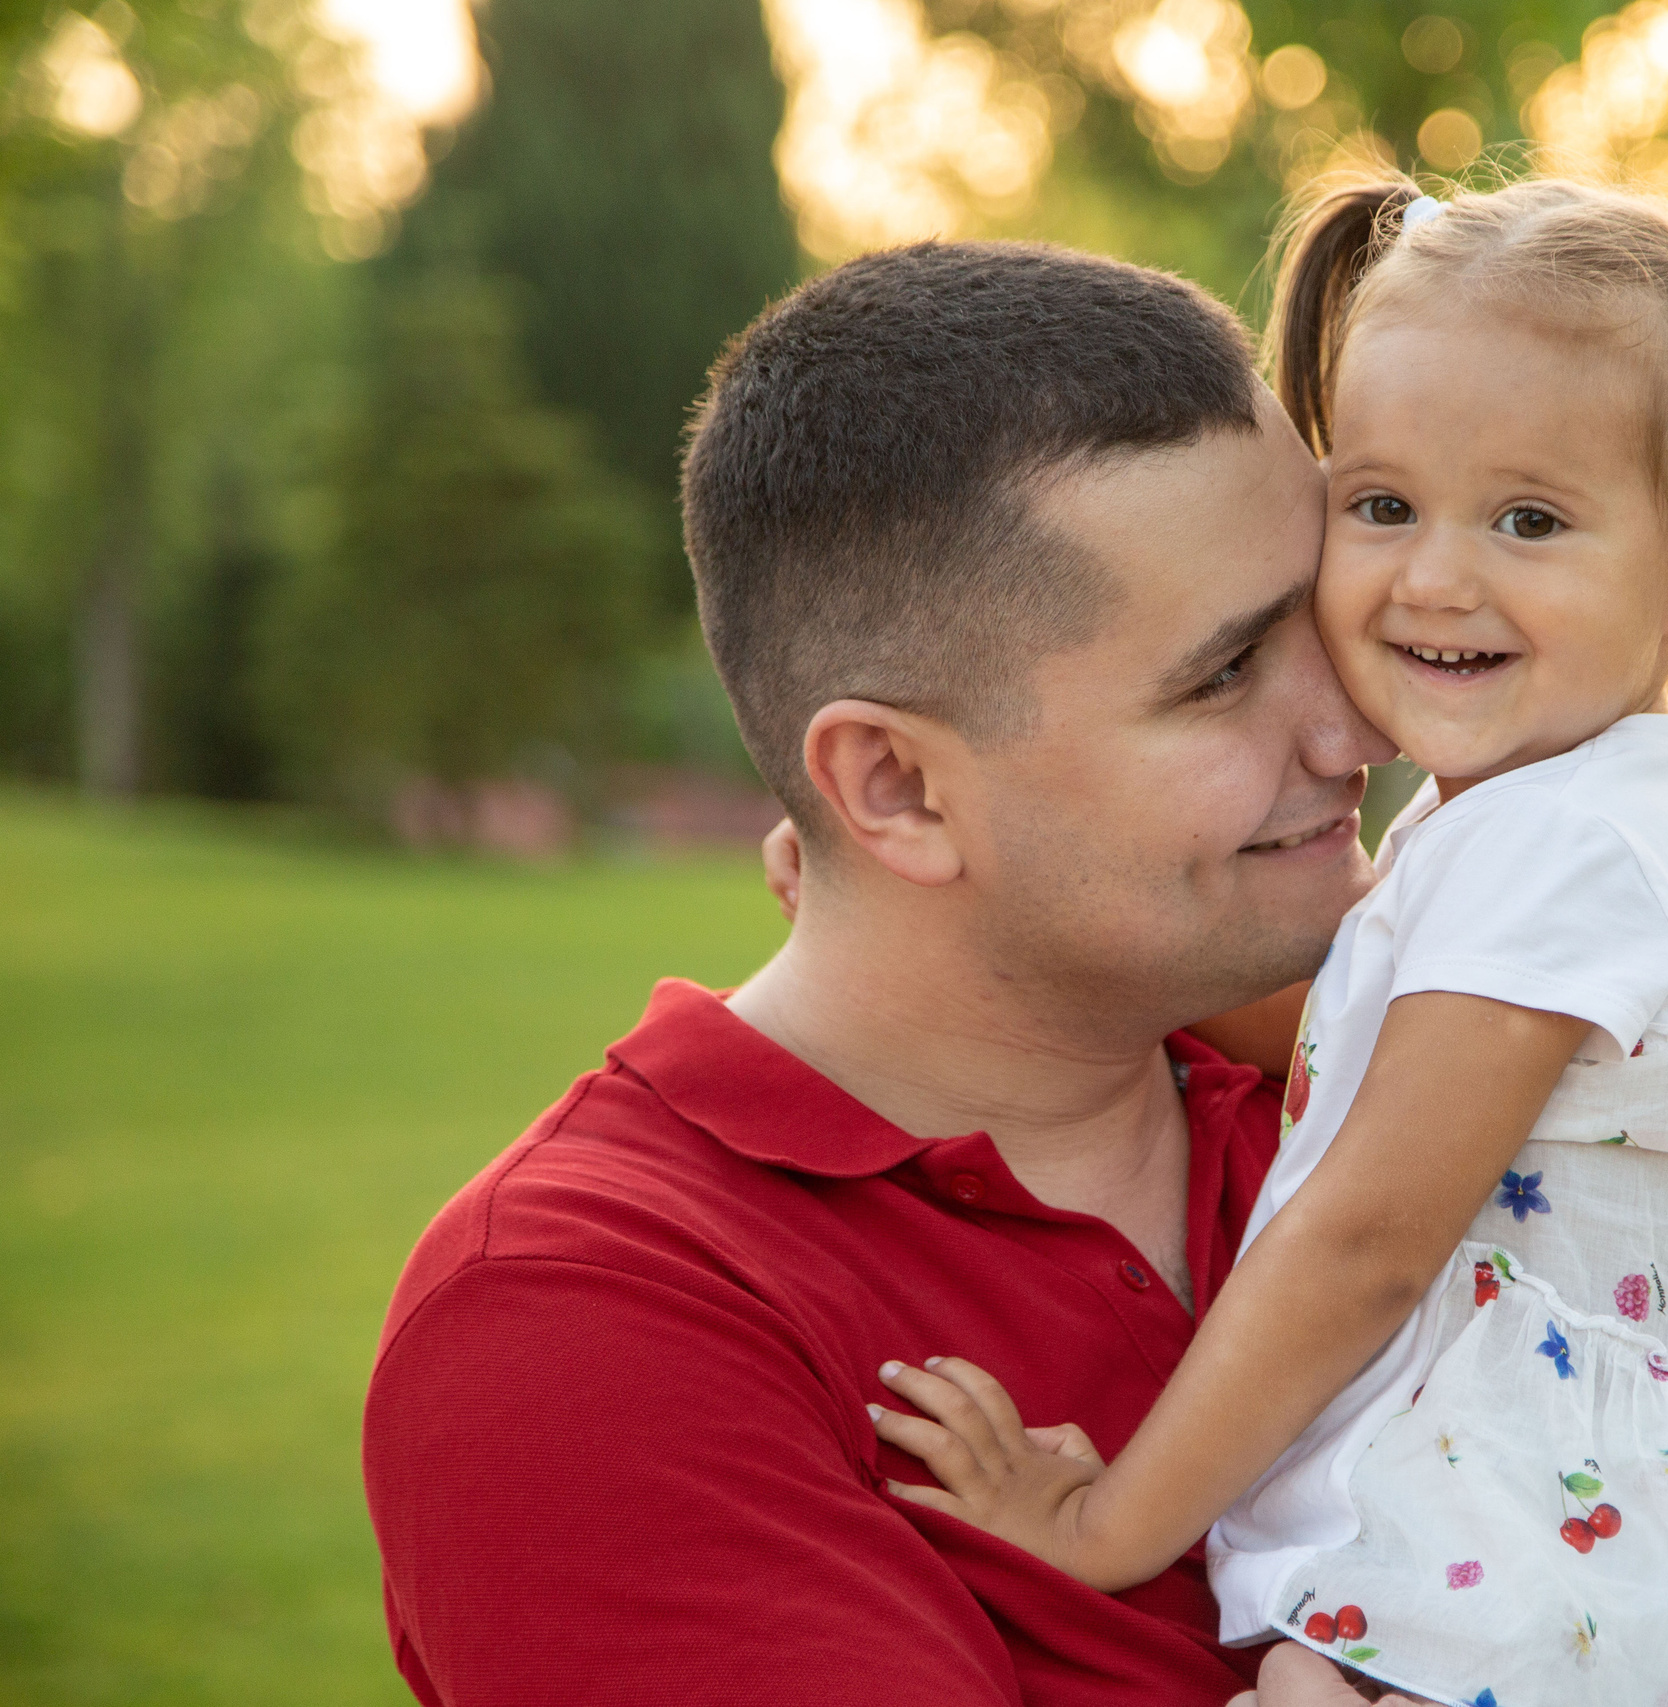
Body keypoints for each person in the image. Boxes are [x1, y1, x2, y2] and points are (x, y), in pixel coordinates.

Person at [863, 176, 1668, 1704]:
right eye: (1383, 505)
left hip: (1562, 1542)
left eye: (1529, 519)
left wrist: (1108, 1520)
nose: (1438, 577)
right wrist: (992, 907)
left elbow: (1368, 1237)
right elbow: (1343, 1027)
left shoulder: (1571, 846)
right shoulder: (1540, 818)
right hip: (1555, 1520)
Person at [361, 241, 1429, 1707]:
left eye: (1323, 615)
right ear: (898, 790)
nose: (1355, 730)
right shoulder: (582, 1318)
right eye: (1227, 673)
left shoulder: (1405, 1074)